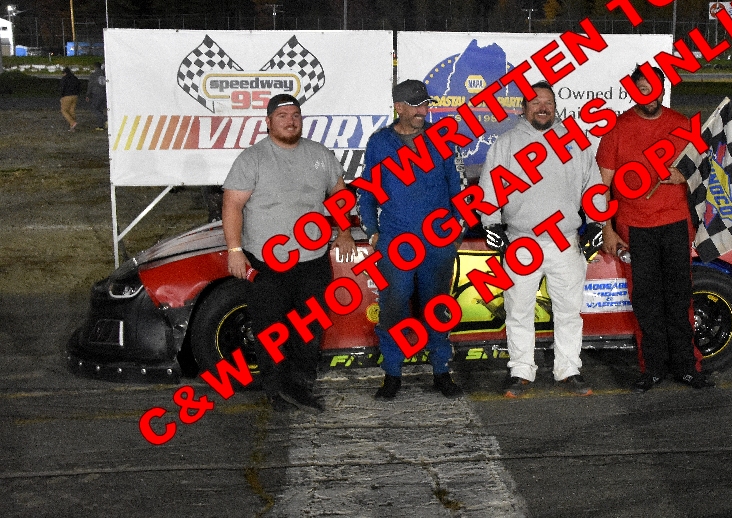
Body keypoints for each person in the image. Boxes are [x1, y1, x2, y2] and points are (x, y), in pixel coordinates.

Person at [222, 93, 356, 412]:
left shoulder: (320, 155)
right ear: (268, 122)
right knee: (270, 330)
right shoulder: (252, 158)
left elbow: (340, 196)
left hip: (312, 262)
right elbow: (232, 205)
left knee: (309, 328)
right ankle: (276, 390)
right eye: (282, 116)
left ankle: (301, 385)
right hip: (266, 263)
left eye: (295, 115)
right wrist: (235, 250)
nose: (290, 121)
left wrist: (345, 232)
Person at [480, 81, 606, 397]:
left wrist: (596, 223)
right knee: (518, 310)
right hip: (521, 241)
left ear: (555, 107)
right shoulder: (507, 144)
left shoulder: (575, 142)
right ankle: (521, 371)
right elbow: (490, 187)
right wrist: (491, 223)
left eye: (548, 102)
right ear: (524, 108)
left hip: (565, 241)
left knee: (569, 311)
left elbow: (593, 185)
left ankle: (568, 370)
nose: (542, 107)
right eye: (535, 102)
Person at [596, 66, 713, 393]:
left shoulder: (682, 125)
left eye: (653, 88)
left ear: (662, 90)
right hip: (635, 228)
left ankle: (687, 367)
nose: (648, 94)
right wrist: (607, 228)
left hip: (675, 225)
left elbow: (706, 170)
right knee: (646, 301)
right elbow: (601, 185)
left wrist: (684, 176)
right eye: (641, 88)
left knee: (680, 298)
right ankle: (653, 369)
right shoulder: (617, 129)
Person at [357, 79, 465, 400]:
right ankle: (392, 374)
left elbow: (458, 188)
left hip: (438, 241)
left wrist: (457, 229)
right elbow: (366, 191)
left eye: (425, 104)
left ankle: (441, 371)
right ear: (399, 107)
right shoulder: (379, 143)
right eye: (416, 106)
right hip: (396, 242)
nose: (423, 111)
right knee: (393, 306)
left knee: (437, 306)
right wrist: (372, 231)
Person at [85, 62, 107, 130]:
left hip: (96, 93)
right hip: (104, 93)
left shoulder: (93, 75)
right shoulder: (104, 74)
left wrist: (88, 95)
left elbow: (90, 85)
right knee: (100, 109)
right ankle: (101, 126)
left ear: (95, 67)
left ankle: (106, 119)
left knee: (94, 108)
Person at [59, 67, 80, 131]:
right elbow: (79, 86)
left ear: (64, 73)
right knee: (72, 110)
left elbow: (62, 88)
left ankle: (72, 123)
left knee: (64, 110)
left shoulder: (64, 78)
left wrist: (61, 96)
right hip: (75, 96)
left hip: (67, 96)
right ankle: (72, 127)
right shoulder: (75, 78)